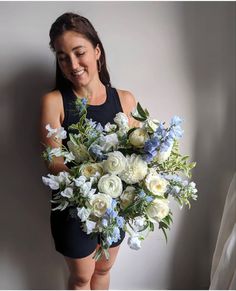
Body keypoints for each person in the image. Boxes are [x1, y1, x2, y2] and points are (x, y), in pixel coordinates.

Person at [40, 12, 139, 290]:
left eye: (79, 52)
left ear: (97, 52)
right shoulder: (54, 101)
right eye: (62, 57)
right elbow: (53, 161)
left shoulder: (126, 99)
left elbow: (139, 155)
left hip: (116, 206)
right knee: (82, 277)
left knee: (103, 270)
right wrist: (94, 177)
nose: (72, 64)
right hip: (73, 209)